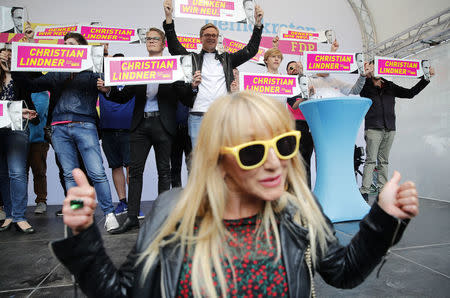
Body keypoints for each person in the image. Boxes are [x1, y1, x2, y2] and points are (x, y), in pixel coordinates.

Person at [52, 91, 419, 297]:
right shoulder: (171, 213)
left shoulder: (298, 212)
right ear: (220, 162)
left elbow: (343, 271)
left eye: (285, 145)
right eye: (254, 152)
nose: (276, 164)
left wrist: (382, 218)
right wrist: (84, 237)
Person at [11, 32, 120, 232]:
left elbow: (113, 91)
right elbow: (32, 85)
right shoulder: (57, 72)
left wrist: (107, 89)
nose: (67, 46)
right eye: (65, 44)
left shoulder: (94, 69)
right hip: (59, 128)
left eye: (71, 44)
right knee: (70, 176)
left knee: (97, 173)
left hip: (85, 125)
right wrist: (16, 63)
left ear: (82, 47)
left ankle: (109, 214)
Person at [96, 27, 198, 234]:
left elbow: (186, 98)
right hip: (140, 125)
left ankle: (162, 220)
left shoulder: (174, 67)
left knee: (164, 173)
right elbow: (124, 96)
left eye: (155, 39)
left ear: (163, 43)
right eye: (148, 39)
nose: (151, 41)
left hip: (164, 125)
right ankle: (132, 218)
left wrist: (193, 86)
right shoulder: (138, 68)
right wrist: (108, 91)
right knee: (135, 173)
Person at [163, 0, 264, 147]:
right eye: (207, 34)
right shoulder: (192, 59)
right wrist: (168, 17)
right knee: (200, 161)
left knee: (223, 161)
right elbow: (174, 47)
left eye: (214, 35)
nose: (211, 37)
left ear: (217, 38)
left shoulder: (228, 59)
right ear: (200, 37)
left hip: (222, 115)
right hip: (197, 116)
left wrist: (258, 24)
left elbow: (251, 50)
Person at [359, 61, 434, 202]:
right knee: (370, 161)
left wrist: (426, 79)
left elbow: (410, 93)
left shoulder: (390, 86)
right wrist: (364, 75)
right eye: (371, 67)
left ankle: (383, 192)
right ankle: (364, 192)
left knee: (384, 161)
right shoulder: (366, 86)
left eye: (375, 66)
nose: (373, 69)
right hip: (373, 128)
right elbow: (359, 91)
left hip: (389, 128)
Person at [0, 47, 39, 234]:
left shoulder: (20, 77)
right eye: (3, 55)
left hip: (18, 129)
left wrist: (12, 67)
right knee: (2, 174)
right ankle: (9, 214)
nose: (6, 57)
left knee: (17, 172)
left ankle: (19, 216)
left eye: (10, 55)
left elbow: (35, 81)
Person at [98, 53, 134, 215]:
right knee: (115, 166)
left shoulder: (133, 79)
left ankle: (133, 204)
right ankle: (122, 201)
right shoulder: (101, 80)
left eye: (121, 62)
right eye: (114, 62)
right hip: (107, 129)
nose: (118, 64)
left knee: (130, 167)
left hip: (129, 129)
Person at [27, 90, 50, 214]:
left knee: (39, 171)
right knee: (19, 175)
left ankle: (41, 200)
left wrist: (16, 112)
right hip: (18, 138)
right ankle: (17, 204)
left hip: (38, 139)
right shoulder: (17, 89)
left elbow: (36, 113)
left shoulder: (42, 93)